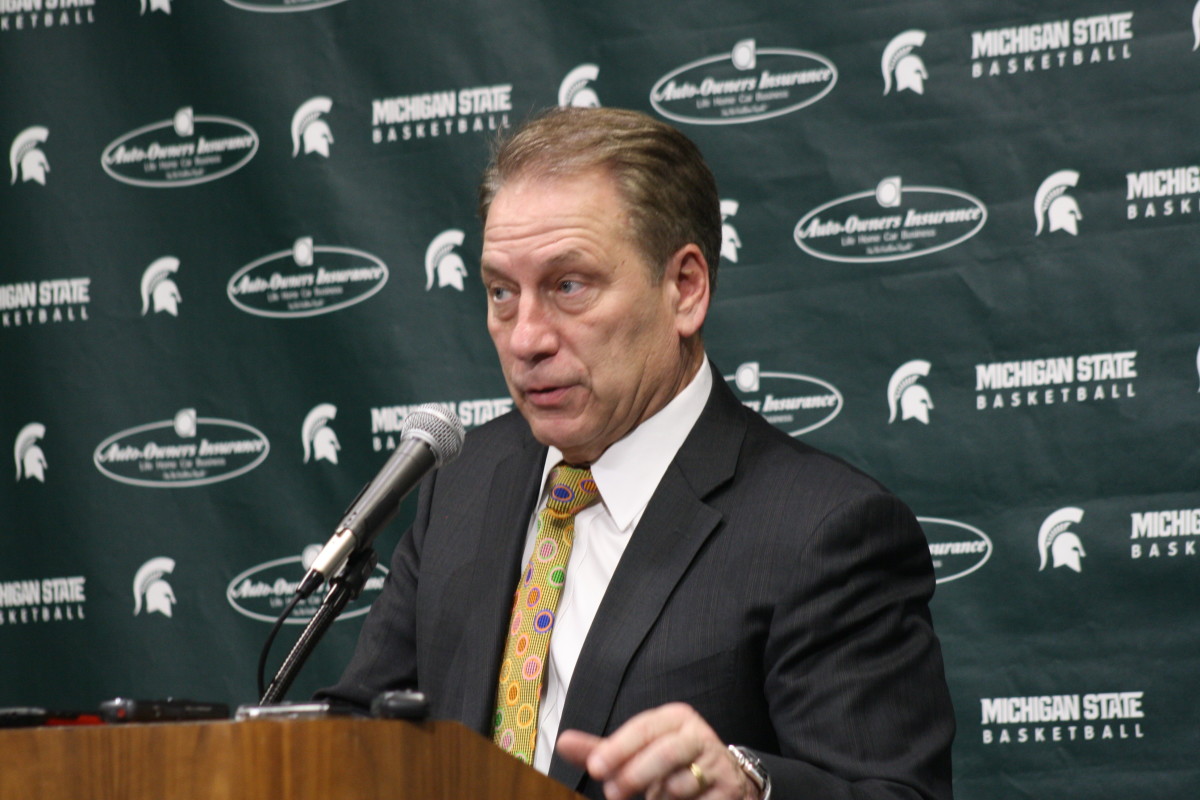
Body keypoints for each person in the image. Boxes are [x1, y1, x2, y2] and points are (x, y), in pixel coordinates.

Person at [319, 107, 955, 800]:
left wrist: (747, 788)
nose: (526, 338)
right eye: (502, 292)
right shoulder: (462, 481)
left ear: (685, 288)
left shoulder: (822, 531)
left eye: (569, 286)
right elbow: (361, 734)